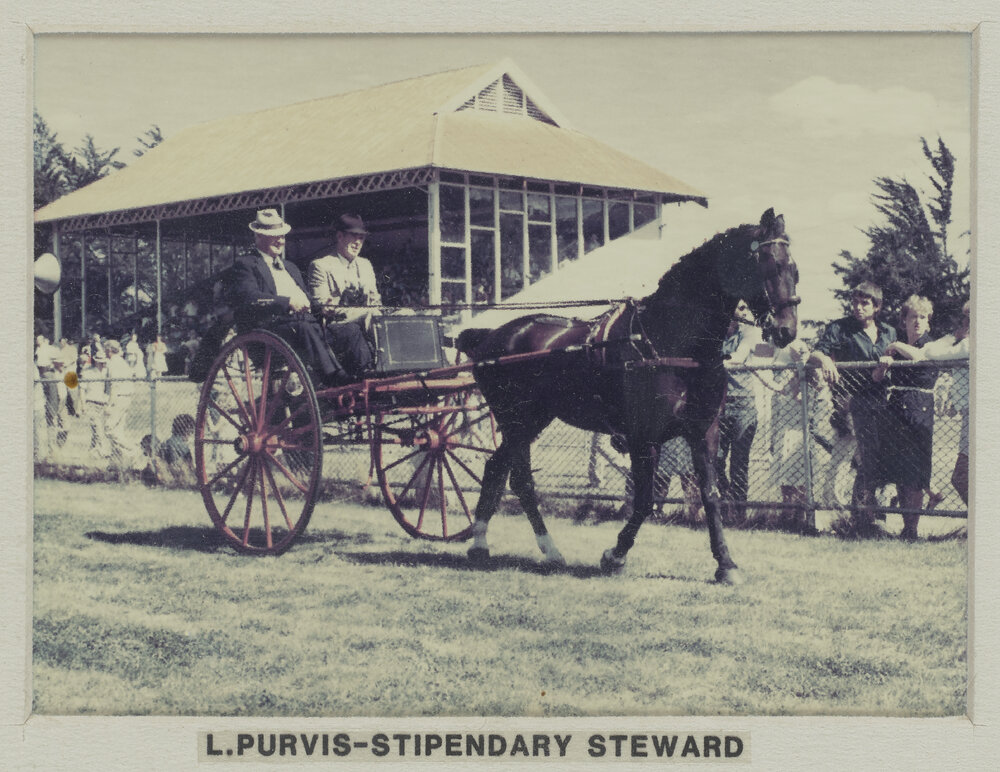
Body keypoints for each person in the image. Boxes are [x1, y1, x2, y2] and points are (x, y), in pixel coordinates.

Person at [808, 281, 896, 532]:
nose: (858, 307)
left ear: (877, 307)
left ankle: (873, 516)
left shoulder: (889, 332)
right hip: (851, 404)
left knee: (877, 461)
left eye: (864, 303)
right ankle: (847, 516)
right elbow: (815, 353)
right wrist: (826, 360)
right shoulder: (840, 328)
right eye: (855, 302)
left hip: (883, 404)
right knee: (850, 461)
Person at [226, 208, 349, 386]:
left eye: (282, 236)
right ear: (258, 236)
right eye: (274, 236)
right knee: (304, 328)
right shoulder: (245, 265)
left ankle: (363, 376)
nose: (280, 240)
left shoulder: (290, 267)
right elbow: (250, 297)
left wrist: (322, 307)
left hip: (305, 327)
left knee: (349, 330)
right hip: (273, 331)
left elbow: (307, 300)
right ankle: (335, 379)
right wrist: (287, 302)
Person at [884, 299, 970, 506]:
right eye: (965, 318)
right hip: (966, 412)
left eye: (969, 319)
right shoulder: (960, 342)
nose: (964, 323)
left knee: (956, 475)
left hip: (923, 409)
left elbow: (924, 354)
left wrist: (895, 345)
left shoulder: (964, 344)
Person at [307, 213, 380, 378]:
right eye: (353, 236)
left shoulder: (366, 265)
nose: (358, 243)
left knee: (402, 314)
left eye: (361, 238)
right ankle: (382, 361)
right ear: (340, 236)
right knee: (371, 314)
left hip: (367, 320)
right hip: (337, 325)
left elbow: (375, 300)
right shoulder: (321, 266)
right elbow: (322, 306)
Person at [716, 300, 764, 519]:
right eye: (740, 307)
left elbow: (739, 357)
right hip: (719, 404)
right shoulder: (716, 333)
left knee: (739, 463)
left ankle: (739, 512)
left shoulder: (749, 333)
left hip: (743, 404)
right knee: (715, 459)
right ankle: (724, 499)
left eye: (746, 308)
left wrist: (713, 362)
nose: (744, 312)